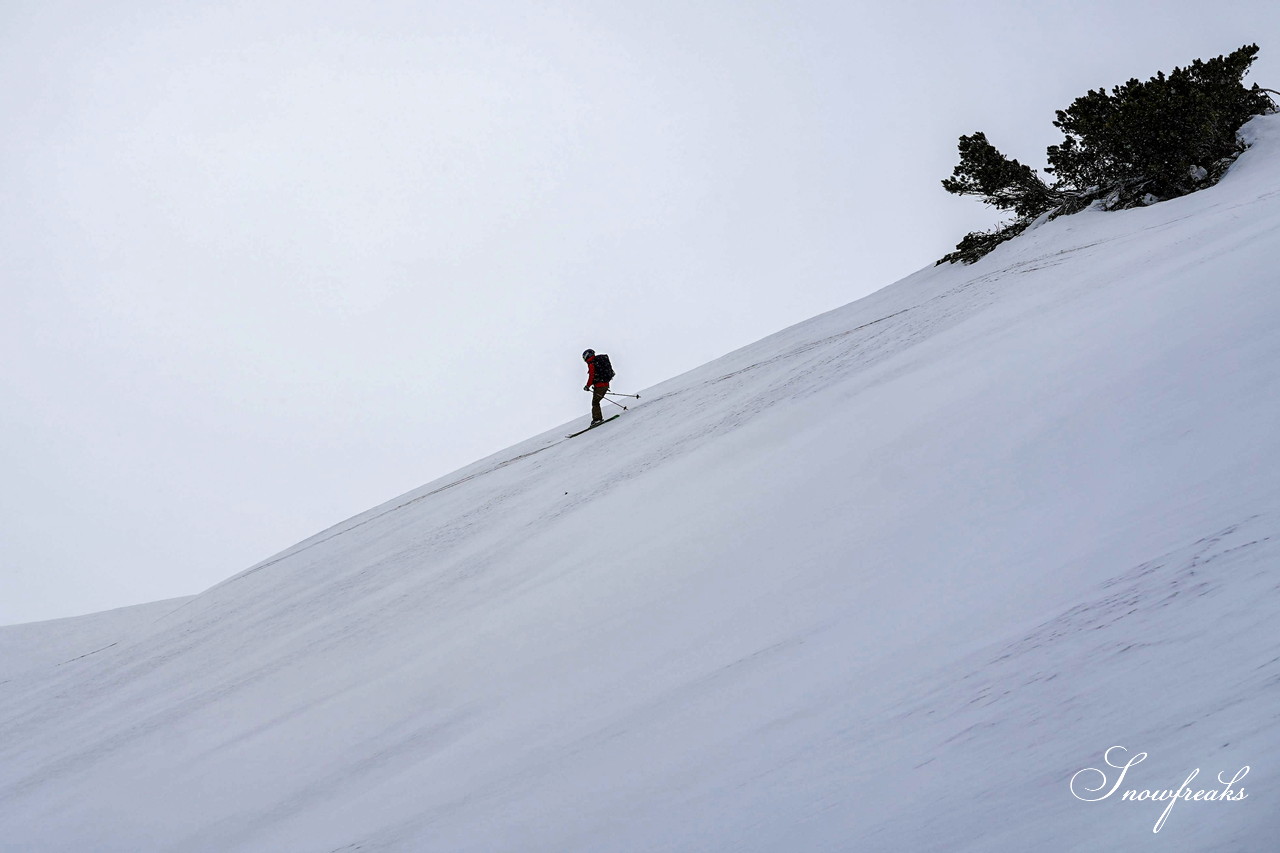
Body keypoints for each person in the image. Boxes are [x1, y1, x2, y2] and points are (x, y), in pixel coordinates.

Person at [582, 348, 609, 426]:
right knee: (596, 402)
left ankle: (597, 419)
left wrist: (587, 386)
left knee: (595, 402)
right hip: (605, 384)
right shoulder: (598, 361)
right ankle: (597, 419)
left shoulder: (592, 364)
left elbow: (591, 376)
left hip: (600, 386)